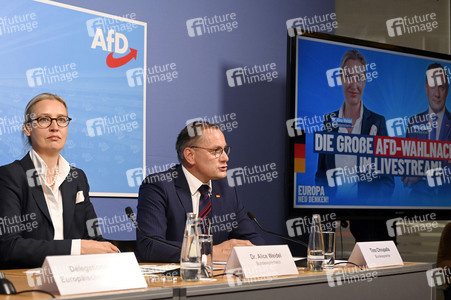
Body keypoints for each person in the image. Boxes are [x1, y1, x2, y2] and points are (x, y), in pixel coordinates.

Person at [0, 93, 118, 269]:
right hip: (28, 281)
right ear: (27, 128)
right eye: (44, 119)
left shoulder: (77, 177)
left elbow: (93, 238)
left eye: (61, 120)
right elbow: (9, 247)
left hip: (75, 278)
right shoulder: (10, 176)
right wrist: (77, 247)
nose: (55, 127)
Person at [136, 122, 264, 263]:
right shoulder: (159, 186)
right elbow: (150, 246)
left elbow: (253, 240)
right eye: (216, 150)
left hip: (218, 279)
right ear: (190, 155)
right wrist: (207, 252)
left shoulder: (226, 190)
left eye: (225, 150)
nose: (225, 158)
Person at [315, 49, 395, 242]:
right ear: (341, 78)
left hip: (369, 227)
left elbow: (387, 180)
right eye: (349, 76)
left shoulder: (377, 122)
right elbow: (321, 173)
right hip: (331, 224)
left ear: (365, 81)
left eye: (359, 78)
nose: (354, 85)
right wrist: (326, 207)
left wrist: (369, 207)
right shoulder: (329, 121)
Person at [402, 63, 451, 193]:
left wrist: (421, 174)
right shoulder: (414, 122)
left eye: (441, 87)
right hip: (417, 202)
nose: (437, 94)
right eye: (432, 86)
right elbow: (405, 171)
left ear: (447, 89)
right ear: (426, 88)